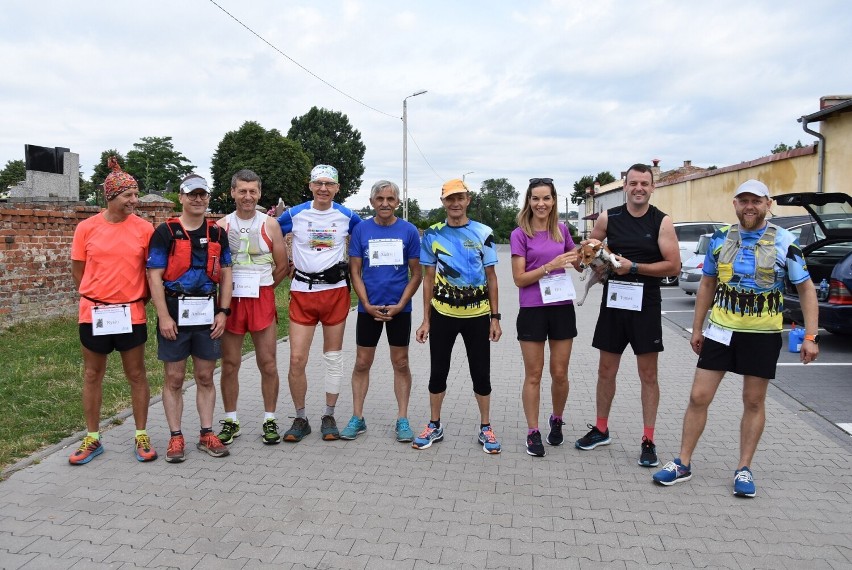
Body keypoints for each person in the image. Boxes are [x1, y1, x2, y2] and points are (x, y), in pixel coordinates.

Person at [653, 179, 819, 497]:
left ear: (768, 204)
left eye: (755, 201)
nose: (749, 206)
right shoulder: (720, 238)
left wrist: (811, 335)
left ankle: (744, 469)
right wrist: (697, 327)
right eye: (743, 200)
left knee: (753, 401)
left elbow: (806, 289)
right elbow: (707, 285)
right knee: (699, 397)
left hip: (762, 335)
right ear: (735, 204)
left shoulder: (786, 242)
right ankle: (682, 463)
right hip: (720, 331)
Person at [574, 163, 680, 467]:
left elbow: (673, 266)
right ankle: (601, 429)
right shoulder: (610, 217)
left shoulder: (662, 221)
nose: (639, 188)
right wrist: (585, 259)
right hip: (615, 301)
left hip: (646, 303)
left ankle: (648, 439)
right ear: (625, 186)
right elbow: (589, 251)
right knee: (606, 370)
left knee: (648, 375)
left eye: (644, 183)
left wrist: (633, 267)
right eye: (633, 183)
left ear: (652, 187)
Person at [69, 157, 156, 465]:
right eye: (128, 195)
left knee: (136, 373)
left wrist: (133, 300)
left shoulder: (144, 229)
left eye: (135, 193)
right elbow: (79, 271)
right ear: (111, 197)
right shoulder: (86, 228)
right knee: (93, 374)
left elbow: (150, 273)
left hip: (130, 312)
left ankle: (141, 433)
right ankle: (92, 438)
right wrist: (99, 297)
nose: (134, 200)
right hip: (93, 312)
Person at [147, 174, 233, 463]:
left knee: (206, 376)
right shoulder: (165, 232)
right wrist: (162, 316)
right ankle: (175, 436)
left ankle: (207, 433)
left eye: (202, 195)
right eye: (192, 194)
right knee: (173, 377)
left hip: (207, 312)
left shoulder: (217, 234)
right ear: (181, 198)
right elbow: (154, 276)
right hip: (174, 312)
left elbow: (227, 273)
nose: (198, 199)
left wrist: (223, 312)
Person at [413, 178, 503, 454]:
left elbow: (492, 277)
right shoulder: (432, 234)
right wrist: (426, 319)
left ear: (468, 200)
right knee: (438, 371)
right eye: (450, 199)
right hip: (443, 313)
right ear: (443, 202)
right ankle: (434, 424)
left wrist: (495, 317)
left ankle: (486, 427)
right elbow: (428, 279)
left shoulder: (483, 232)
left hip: (477, 315)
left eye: (460, 198)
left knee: (481, 373)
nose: (455, 203)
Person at [277, 165, 361, 442]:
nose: (323, 188)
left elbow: (365, 242)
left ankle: (329, 415)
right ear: (310, 185)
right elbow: (270, 234)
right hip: (303, 291)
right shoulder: (295, 214)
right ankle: (300, 418)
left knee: (333, 358)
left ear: (337, 188)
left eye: (329, 184)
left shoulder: (348, 216)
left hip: (335, 292)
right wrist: (283, 262)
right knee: (297, 358)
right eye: (318, 183)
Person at [340, 180, 422, 442]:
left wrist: (401, 304)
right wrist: (364, 304)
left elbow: (416, 273)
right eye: (380, 199)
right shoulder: (362, 230)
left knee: (401, 363)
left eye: (390, 199)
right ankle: (357, 417)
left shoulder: (408, 231)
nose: (385, 203)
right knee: (362, 363)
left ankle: (402, 419)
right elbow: (355, 271)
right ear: (372, 201)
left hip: (400, 308)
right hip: (368, 308)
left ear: (398, 202)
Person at [215, 170, 288, 446]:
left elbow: (282, 266)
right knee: (230, 363)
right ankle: (231, 421)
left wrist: (266, 287)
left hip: (261, 299)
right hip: (231, 302)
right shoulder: (221, 226)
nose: (248, 196)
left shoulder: (270, 225)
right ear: (233, 192)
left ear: (259, 193)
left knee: (267, 363)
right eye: (242, 191)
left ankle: (270, 419)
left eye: (253, 191)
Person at [510, 178, 580, 457]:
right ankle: (532, 431)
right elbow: (518, 278)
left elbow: (577, 260)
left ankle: (557, 419)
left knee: (560, 373)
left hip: (561, 307)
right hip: (532, 309)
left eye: (546, 198)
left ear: (554, 201)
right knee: (534, 375)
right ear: (528, 201)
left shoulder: (562, 230)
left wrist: (591, 252)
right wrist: (549, 267)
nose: (541, 204)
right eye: (536, 198)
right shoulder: (520, 234)